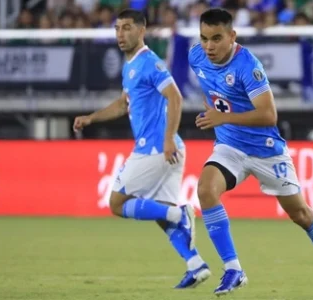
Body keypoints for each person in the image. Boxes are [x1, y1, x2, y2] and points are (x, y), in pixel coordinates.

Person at [190, 8, 313, 299]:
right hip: (230, 147)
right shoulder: (196, 57)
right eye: (204, 38)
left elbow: (268, 115)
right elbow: (211, 92)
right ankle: (233, 268)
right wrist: (217, 115)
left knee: (301, 214)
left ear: (232, 36)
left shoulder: (247, 66)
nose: (209, 46)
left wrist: (222, 117)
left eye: (216, 38)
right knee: (205, 189)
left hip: (266, 151)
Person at [73, 9, 211, 289]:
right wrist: (91, 118)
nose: (120, 34)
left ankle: (179, 214)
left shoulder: (150, 63)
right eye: (117, 29)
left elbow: (175, 97)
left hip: (157, 149)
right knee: (160, 214)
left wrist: (169, 137)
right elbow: (124, 104)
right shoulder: (131, 66)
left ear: (141, 30)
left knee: (117, 204)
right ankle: (195, 264)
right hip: (166, 150)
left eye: (126, 28)